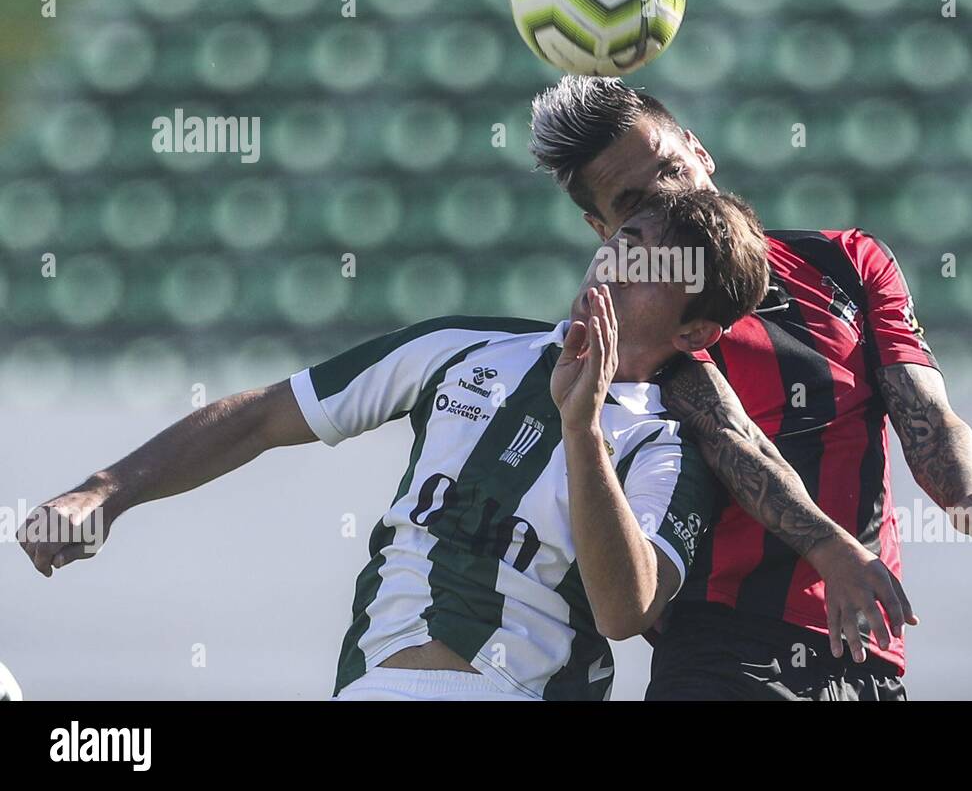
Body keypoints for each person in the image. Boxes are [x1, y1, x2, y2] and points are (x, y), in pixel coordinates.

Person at [20, 189, 770, 701]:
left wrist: (580, 432)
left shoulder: (666, 450)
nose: (614, 270)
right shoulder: (463, 349)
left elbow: (624, 612)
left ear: (695, 332)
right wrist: (107, 490)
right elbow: (262, 418)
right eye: (623, 244)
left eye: (647, 272)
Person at [530, 75, 972, 700]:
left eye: (672, 169)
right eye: (634, 202)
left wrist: (967, 496)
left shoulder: (847, 263)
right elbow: (732, 440)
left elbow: (924, 410)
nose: (666, 200)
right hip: (722, 651)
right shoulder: (642, 319)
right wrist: (832, 552)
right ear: (602, 227)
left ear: (700, 152)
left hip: (865, 644)